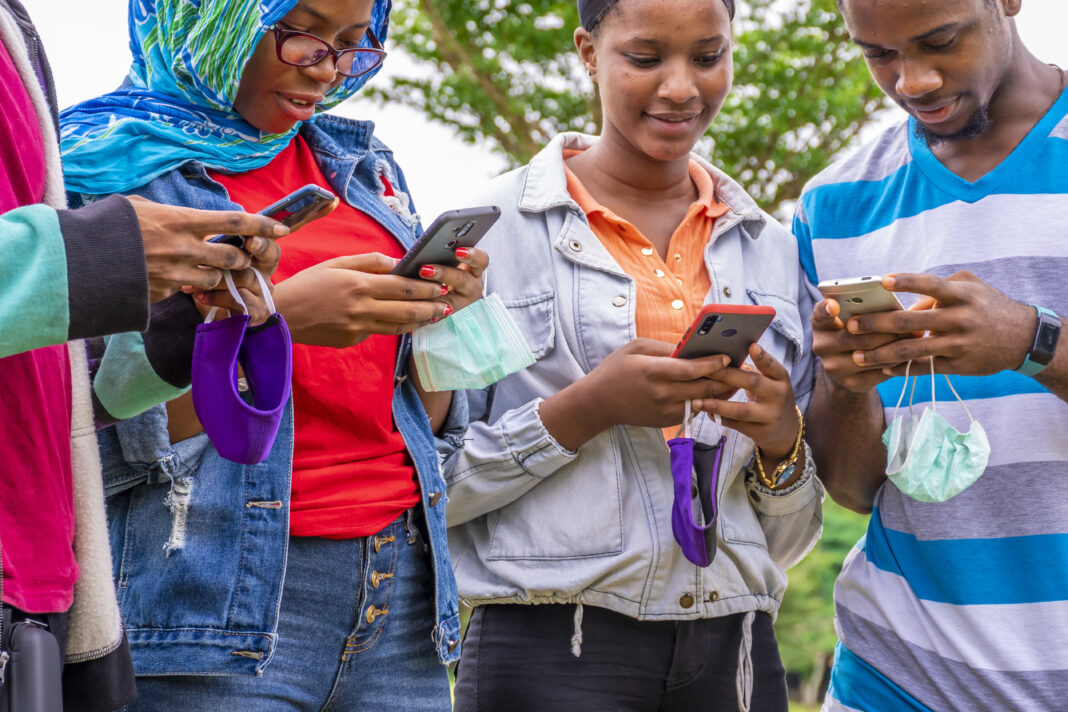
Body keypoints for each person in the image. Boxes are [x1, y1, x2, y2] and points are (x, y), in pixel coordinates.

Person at [59, 0, 486, 709]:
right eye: (303, 34)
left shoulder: (360, 166)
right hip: (204, 602)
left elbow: (421, 419)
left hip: (401, 595)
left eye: (354, 45)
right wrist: (276, 323)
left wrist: (436, 311)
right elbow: (86, 435)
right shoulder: (97, 173)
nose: (327, 69)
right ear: (215, 18)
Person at [445, 0, 824, 710]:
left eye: (708, 57)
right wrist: (583, 411)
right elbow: (434, 491)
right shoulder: (489, 241)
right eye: (646, 58)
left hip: (738, 650)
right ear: (588, 53)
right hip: (552, 646)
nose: (681, 87)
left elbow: (790, 538)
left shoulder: (771, 250)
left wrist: (780, 441)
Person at [0, 1, 284, 709]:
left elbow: (38, 379)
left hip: (43, 578)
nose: (329, 65)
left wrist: (166, 337)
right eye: (299, 30)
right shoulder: (105, 150)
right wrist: (105, 252)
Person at [796, 1, 1068, 710]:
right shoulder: (834, 205)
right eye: (877, 54)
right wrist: (847, 385)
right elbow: (853, 490)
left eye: (939, 41)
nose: (911, 81)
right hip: (901, 678)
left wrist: (1031, 343)